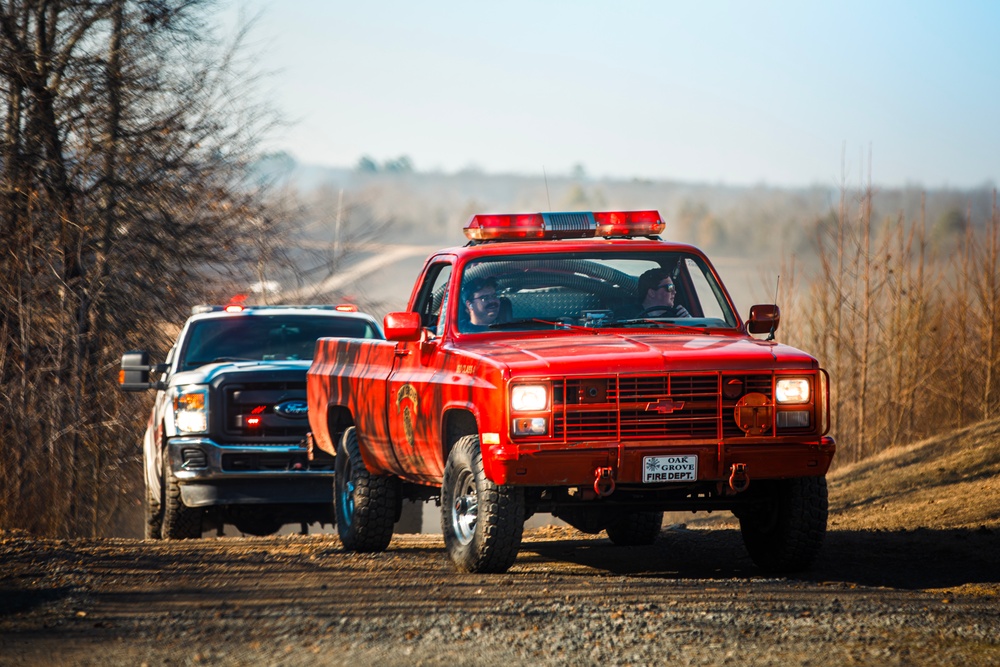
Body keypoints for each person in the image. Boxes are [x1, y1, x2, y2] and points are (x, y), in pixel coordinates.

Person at [626, 268, 691, 318]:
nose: (674, 292)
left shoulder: (676, 317)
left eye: (674, 287)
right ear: (652, 293)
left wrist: (688, 320)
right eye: (670, 287)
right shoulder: (627, 315)